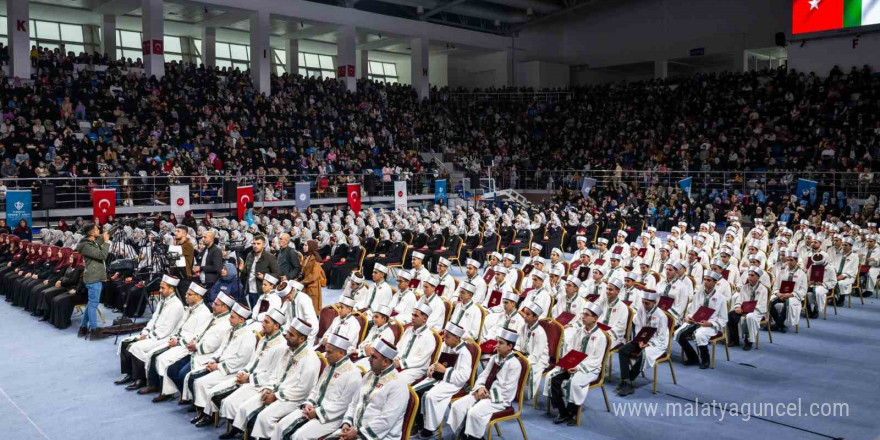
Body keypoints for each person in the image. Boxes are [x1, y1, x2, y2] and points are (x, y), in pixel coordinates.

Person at [215, 308, 292, 437]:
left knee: (240, 406)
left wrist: (249, 378)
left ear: (276, 326)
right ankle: (237, 428)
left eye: (266, 322)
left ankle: (240, 430)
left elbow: (271, 373)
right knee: (227, 401)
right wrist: (244, 372)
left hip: (261, 383)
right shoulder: (264, 339)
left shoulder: (281, 346)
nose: (262, 324)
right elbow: (252, 361)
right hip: (250, 378)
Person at [272, 332, 361, 440]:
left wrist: (318, 413)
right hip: (313, 409)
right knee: (281, 426)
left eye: (329, 352)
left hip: (331, 418)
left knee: (299, 437)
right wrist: (309, 404)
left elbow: (343, 405)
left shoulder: (353, 374)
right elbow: (316, 389)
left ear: (341, 353)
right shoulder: (330, 365)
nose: (326, 355)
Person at [246, 318, 322, 440]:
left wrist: (276, 396)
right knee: (248, 406)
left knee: (264, 417)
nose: (286, 336)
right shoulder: (288, 350)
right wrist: (268, 388)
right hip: (278, 392)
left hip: (294, 400)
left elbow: (302, 390)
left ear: (301, 339)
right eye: (288, 332)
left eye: (291, 335)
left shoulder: (310, 359)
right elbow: (275, 374)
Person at [154, 292, 235, 403]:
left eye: (216, 304)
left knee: (183, 374)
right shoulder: (212, 316)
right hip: (194, 350)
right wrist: (194, 341)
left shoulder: (226, 323)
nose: (212, 306)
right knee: (171, 370)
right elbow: (199, 332)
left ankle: (193, 401)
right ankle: (185, 394)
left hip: (206, 354)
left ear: (225, 307)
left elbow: (214, 344)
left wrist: (196, 345)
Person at [185, 303, 257, 426]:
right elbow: (221, 349)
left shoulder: (248, 336)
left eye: (232, 317)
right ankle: (202, 412)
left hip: (232, 371)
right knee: (191, 375)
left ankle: (209, 415)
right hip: (221, 365)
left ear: (241, 319)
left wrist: (217, 366)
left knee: (201, 382)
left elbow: (241, 361)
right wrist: (212, 360)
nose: (229, 319)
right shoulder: (231, 330)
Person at [139, 282, 213, 396]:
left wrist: (178, 342)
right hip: (177, 340)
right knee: (153, 354)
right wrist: (174, 338)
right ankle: (155, 385)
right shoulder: (190, 308)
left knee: (162, 359)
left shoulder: (204, 313)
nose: (185, 296)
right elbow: (179, 327)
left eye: (189, 294)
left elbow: (197, 335)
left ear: (198, 296)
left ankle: (167, 392)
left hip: (186, 346)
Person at [448, 328, 522, 440]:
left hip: (499, 399)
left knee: (474, 413)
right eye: (497, 342)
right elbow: (483, 375)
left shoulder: (515, 364)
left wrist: (487, 394)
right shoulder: (494, 358)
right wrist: (480, 388)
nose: (496, 345)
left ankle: (474, 437)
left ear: (510, 347)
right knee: (457, 406)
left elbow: (507, 390)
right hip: (483, 392)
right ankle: (463, 435)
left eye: (501, 343)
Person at [329, 339, 409, 440]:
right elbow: (354, 403)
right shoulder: (369, 375)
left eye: (374, 357)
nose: (369, 359)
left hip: (379, 436)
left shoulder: (398, 385)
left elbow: (386, 421)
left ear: (385, 362)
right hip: (354, 431)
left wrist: (357, 433)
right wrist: (347, 423)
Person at [115, 275, 185, 389]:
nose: (160, 290)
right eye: (160, 287)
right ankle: (130, 374)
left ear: (171, 289)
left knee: (136, 347)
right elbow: (153, 319)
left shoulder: (176, 305)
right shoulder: (163, 301)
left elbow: (166, 329)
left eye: (163, 288)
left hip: (163, 337)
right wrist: (145, 331)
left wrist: (148, 336)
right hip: (153, 334)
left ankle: (140, 378)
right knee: (124, 342)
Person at [545, 302, 608, 425]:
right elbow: (571, 349)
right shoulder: (579, 331)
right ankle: (562, 411)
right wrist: (568, 363)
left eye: (586, 315)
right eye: (583, 314)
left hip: (590, 368)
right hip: (574, 364)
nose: (582, 317)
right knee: (553, 379)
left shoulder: (600, 336)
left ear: (595, 318)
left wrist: (578, 367)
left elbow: (596, 359)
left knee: (574, 383)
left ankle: (571, 413)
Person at [415, 322, 473, 438]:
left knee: (430, 396)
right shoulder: (445, 346)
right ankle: (420, 424)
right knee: (415, 391)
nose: (444, 338)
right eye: (444, 335)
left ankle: (430, 428)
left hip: (453, 383)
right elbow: (439, 362)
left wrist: (445, 371)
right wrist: (432, 368)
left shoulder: (464, 353)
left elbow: (463, 377)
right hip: (439, 378)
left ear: (457, 338)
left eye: (447, 337)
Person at [616, 290, 668, 397]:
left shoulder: (661, 316)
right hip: (642, 339)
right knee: (623, 350)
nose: (644, 305)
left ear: (655, 303)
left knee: (643, 355)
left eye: (647, 303)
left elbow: (662, 337)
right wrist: (641, 340)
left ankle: (628, 381)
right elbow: (639, 326)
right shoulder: (641, 309)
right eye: (643, 302)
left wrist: (649, 344)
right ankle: (626, 380)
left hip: (656, 343)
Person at [674, 272, 728, 369]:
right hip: (696, 321)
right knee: (678, 333)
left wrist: (710, 323)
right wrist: (688, 317)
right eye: (705, 279)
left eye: (709, 280)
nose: (705, 282)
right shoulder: (698, 294)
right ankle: (693, 357)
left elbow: (723, 318)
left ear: (715, 282)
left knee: (699, 334)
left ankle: (705, 359)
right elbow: (691, 310)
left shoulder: (721, 298)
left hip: (710, 324)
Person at [75, 222, 110, 338]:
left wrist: (112, 230)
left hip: (94, 277)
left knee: (91, 304)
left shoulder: (89, 242)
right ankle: (94, 330)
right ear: (92, 233)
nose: (99, 230)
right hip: (93, 278)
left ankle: (83, 327)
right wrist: (106, 243)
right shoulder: (86, 246)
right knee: (93, 305)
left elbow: (100, 238)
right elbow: (102, 255)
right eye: (97, 229)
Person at [393, 303, 438, 384]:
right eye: (412, 315)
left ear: (424, 319)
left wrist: (401, 363)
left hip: (416, 368)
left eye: (416, 316)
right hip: (400, 362)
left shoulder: (429, 337)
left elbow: (420, 360)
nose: (412, 318)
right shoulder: (408, 330)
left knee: (397, 381)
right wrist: (396, 358)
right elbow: (399, 347)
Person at [728, 267, 768, 351]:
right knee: (731, 314)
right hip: (744, 309)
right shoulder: (744, 287)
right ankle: (734, 339)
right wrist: (738, 306)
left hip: (756, 311)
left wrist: (751, 309)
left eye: (752, 275)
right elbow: (740, 299)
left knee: (749, 317)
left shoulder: (763, 289)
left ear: (758, 277)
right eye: (749, 275)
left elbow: (762, 305)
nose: (750, 277)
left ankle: (748, 341)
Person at [239, 235, 281, 310]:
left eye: (258, 244)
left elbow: (277, 275)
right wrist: (242, 269)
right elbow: (246, 272)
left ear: (263, 245)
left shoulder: (269, 257)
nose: (255, 246)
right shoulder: (249, 255)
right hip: (249, 290)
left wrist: (264, 277)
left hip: (261, 291)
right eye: (254, 243)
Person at [301, 239, 326, 314]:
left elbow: (314, 276)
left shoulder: (316, 259)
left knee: (313, 310)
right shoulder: (307, 257)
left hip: (313, 286)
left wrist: (302, 282)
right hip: (306, 284)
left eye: (306, 245)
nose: (303, 247)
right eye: (304, 245)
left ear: (311, 247)